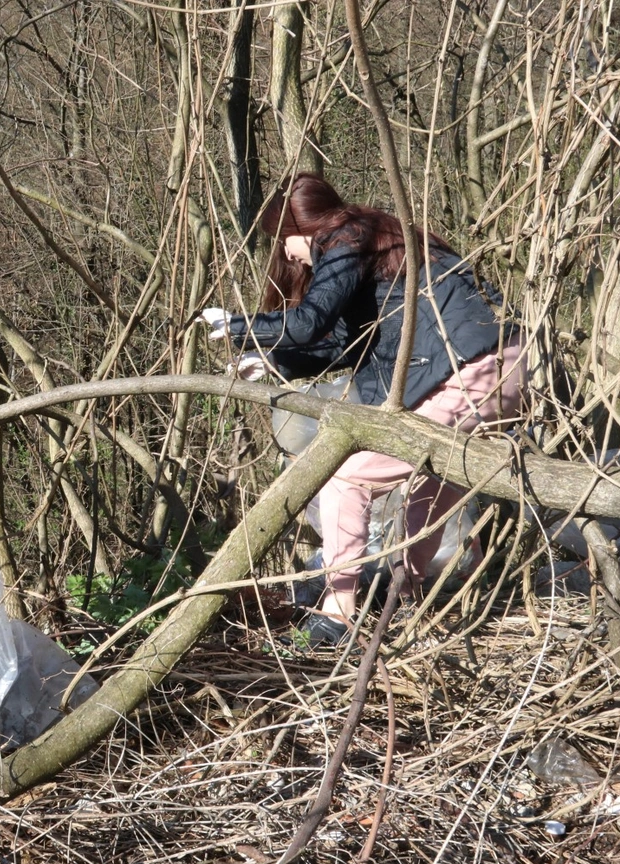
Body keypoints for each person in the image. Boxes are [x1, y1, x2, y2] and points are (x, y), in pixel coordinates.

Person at [202, 173, 526, 645]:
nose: (288, 255)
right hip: (511, 363)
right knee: (433, 478)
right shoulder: (384, 243)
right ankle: (402, 591)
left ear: (304, 226)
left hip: (470, 372)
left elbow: (312, 320)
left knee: (347, 475)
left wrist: (240, 325)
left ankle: (337, 614)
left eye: (284, 241)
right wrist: (271, 360)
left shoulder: (345, 237)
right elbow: (348, 342)